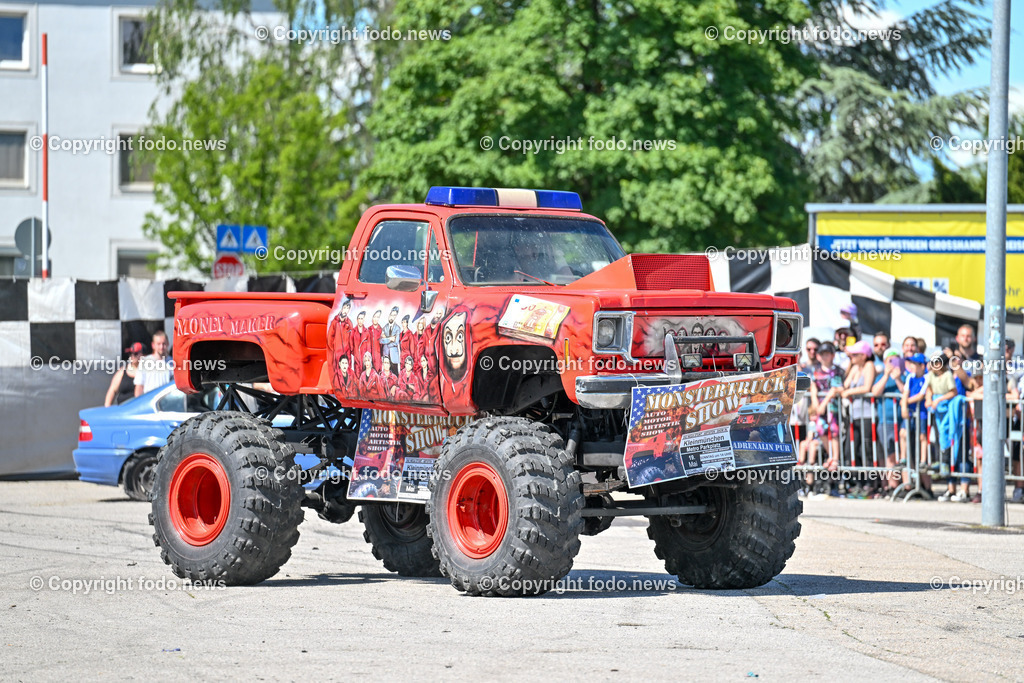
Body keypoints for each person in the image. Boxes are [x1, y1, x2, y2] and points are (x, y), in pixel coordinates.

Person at [842, 340, 877, 491]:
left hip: (867, 414)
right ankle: (858, 482)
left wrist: (849, 392)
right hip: (855, 415)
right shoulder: (857, 367)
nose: (852, 356)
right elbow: (845, 384)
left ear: (864, 355)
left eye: (855, 354)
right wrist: (852, 364)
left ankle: (870, 483)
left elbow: (867, 387)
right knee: (853, 448)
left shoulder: (869, 366)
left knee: (866, 448)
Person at [872, 349, 904, 493]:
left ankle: (903, 485)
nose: (893, 364)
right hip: (886, 422)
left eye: (896, 360)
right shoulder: (881, 377)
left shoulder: (903, 376)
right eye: (890, 361)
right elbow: (875, 392)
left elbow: (905, 392)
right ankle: (892, 486)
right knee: (890, 455)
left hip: (902, 421)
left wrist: (897, 378)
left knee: (901, 455)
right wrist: (886, 375)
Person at [135, 331, 171, 397]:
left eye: (164, 344)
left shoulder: (173, 362)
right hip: (148, 402)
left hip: (167, 403)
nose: (161, 347)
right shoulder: (145, 362)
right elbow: (139, 387)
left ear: (168, 344)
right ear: (153, 345)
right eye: (158, 344)